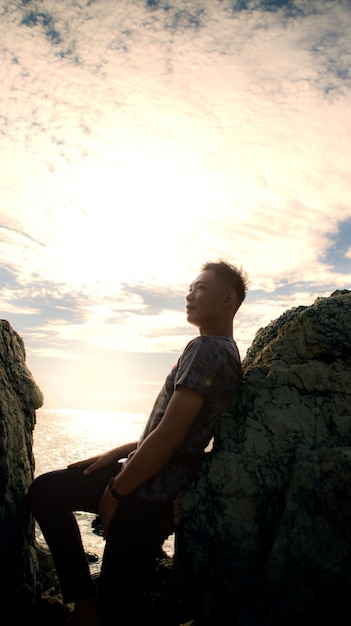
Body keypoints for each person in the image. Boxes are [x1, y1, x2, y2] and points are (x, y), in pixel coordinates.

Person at [28, 260, 249, 626]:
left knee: (45, 493)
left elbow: (170, 435)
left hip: (145, 493)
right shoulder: (229, 352)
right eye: (190, 288)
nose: (189, 294)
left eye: (200, 288)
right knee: (122, 604)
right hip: (159, 490)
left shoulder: (205, 349)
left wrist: (114, 492)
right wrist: (117, 452)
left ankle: (84, 604)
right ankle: (89, 606)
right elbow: (181, 430)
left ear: (228, 299)